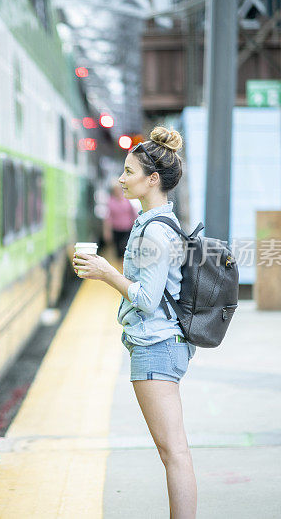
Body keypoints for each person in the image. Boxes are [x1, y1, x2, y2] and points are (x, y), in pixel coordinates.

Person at [72, 126, 197, 519]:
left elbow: (145, 299)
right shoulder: (153, 222)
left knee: (173, 451)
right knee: (172, 450)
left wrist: (106, 272)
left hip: (156, 346)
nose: (120, 179)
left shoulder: (154, 233)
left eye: (128, 172)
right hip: (159, 345)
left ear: (152, 180)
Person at [104, 183, 137, 259]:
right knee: (118, 250)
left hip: (128, 229)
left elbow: (134, 213)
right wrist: (107, 231)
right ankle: (119, 267)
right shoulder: (110, 201)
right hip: (116, 230)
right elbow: (107, 218)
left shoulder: (127, 199)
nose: (117, 191)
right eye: (115, 189)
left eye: (118, 189)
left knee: (125, 247)